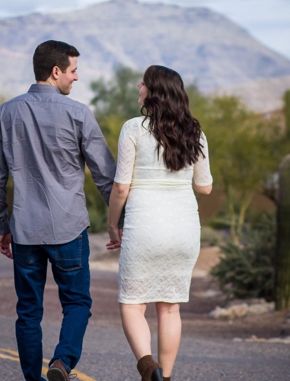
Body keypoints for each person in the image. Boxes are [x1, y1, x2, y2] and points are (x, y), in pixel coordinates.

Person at [0, 40, 116, 381]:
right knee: (77, 304)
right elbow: (106, 176)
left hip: (25, 231)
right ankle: (61, 362)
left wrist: (1, 225)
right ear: (56, 71)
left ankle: (34, 379)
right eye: (73, 71)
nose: (76, 78)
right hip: (69, 230)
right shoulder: (79, 114)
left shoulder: (7, 112)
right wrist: (120, 223)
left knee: (28, 312)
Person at [106, 65, 213, 381]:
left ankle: (147, 366)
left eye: (144, 81)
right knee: (170, 308)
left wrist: (113, 224)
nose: (139, 84)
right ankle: (164, 378)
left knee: (132, 304)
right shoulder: (196, 133)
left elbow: (121, 186)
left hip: (145, 227)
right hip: (184, 229)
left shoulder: (134, 128)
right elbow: (204, 187)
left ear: (154, 92)